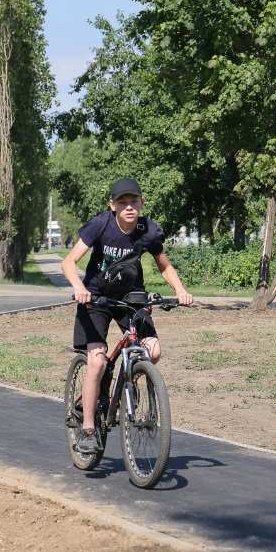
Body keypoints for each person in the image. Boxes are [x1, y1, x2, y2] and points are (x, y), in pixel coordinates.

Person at [60, 177, 193, 454]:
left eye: (134, 202)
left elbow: (164, 266)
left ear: (142, 203)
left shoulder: (148, 231)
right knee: (96, 362)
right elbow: (69, 261)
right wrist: (79, 287)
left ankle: (126, 377)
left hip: (131, 298)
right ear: (113, 206)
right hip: (96, 298)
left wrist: (180, 289)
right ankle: (87, 429)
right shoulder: (101, 225)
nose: (129, 207)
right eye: (123, 203)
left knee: (153, 351)